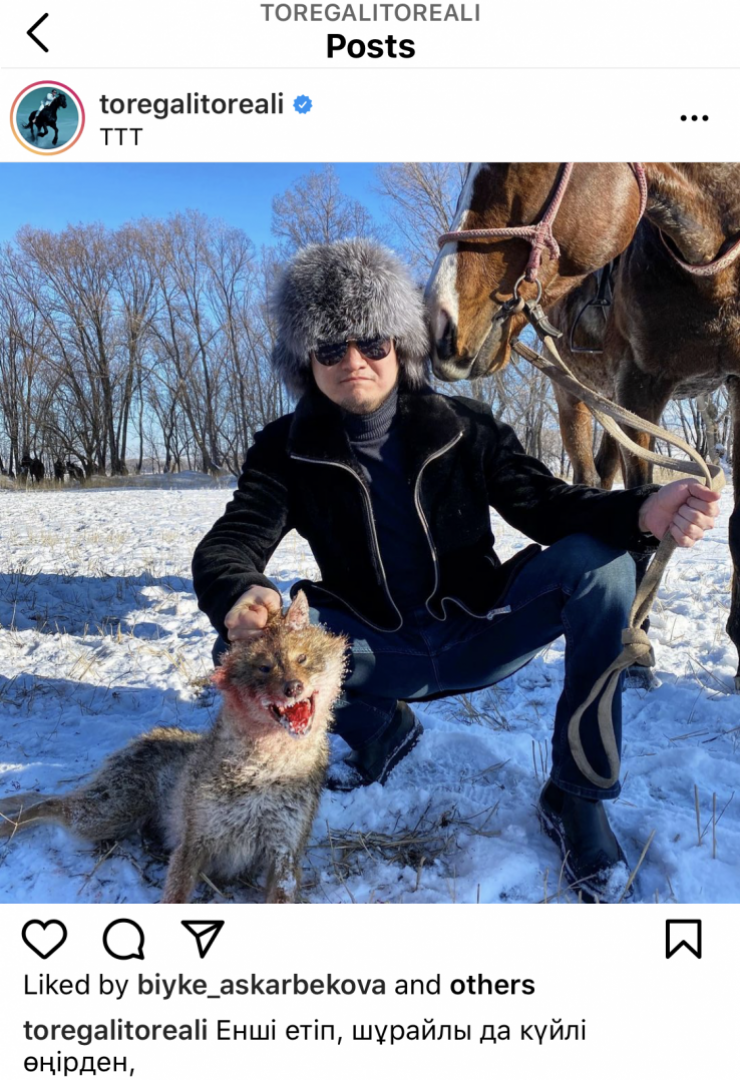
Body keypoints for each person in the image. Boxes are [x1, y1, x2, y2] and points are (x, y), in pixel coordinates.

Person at [192, 238, 720, 902]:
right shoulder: (283, 448)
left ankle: (576, 795)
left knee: (603, 569)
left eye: (372, 342)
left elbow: (548, 505)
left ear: (401, 345)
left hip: (479, 629)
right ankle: (379, 731)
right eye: (329, 349)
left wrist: (642, 509)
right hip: (374, 651)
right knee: (242, 647)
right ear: (305, 360)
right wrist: (241, 590)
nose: (353, 361)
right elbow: (231, 542)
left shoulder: (465, 425)